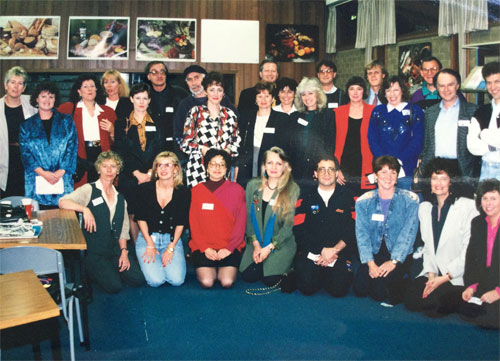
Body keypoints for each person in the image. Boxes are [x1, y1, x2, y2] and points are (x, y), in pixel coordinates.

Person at [58, 151, 145, 293]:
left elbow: (123, 229)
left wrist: (124, 253)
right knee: (114, 286)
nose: (109, 170)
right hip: (94, 251)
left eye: (113, 166)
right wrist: (85, 210)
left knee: (138, 279)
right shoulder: (89, 189)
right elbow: (62, 202)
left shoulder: (120, 197)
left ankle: (109, 269)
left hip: (114, 249)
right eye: (105, 166)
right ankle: (94, 269)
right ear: (99, 169)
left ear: (118, 170)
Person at [405, 158, 478, 317]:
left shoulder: (468, 207)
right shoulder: (425, 208)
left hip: (455, 275)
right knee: (411, 301)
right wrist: (431, 276)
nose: (438, 183)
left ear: (452, 182)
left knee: (434, 307)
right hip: (434, 272)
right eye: (434, 178)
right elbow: (428, 248)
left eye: (444, 178)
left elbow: (469, 252)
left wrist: (442, 279)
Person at [353, 155, 419, 305]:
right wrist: (370, 264)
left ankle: (404, 277)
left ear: (397, 177)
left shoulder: (410, 200)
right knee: (360, 288)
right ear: (375, 176)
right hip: (375, 251)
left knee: (379, 292)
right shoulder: (364, 201)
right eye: (383, 172)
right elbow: (361, 235)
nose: (388, 177)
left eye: (393, 172)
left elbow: (407, 235)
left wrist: (393, 261)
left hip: (397, 252)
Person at [292, 155, 355, 297]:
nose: (326, 173)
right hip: (312, 252)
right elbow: (299, 230)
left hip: (338, 253)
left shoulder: (349, 197)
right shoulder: (304, 198)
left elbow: (353, 229)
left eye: (331, 169)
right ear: (315, 174)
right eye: (322, 169)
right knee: (307, 288)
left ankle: (327, 273)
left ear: (337, 173)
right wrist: (321, 250)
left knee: (339, 290)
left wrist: (334, 250)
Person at [240, 146, 300, 286]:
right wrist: (255, 245)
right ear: (264, 166)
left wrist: (269, 248)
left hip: (280, 243)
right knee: (248, 276)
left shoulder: (292, 189)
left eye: (279, 163)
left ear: (285, 167)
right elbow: (248, 218)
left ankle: (288, 266)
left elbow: (288, 227)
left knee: (270, 280)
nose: (274, 167)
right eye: (270, 163)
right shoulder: (252, 186)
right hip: (257, 242)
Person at [115, 83, 167, 242]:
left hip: (152, 176)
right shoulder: (122, 123)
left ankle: (150, 245)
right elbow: (121, 152)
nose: (141, 102)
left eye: (145, 98)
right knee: (132, 214)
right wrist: (137, 173)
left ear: (150, 100)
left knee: (151, 212)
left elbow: (161, 149)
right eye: (138, 98)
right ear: (131, 99)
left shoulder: (157, 122)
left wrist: (151, 173)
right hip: (130, 176)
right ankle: (138, 248)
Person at [189, 149, 246, 288]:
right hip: (203, 246)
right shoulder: (196, 191)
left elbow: (241, 223)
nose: (217, 168)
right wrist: (205, 248)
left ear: (227, 168)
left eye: (221, 164)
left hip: (228, 247)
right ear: (206, 167)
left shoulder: (237, 190)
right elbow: (194, 224)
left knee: (226, 282)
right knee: (207, 282)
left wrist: (229, 248)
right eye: (213, 164)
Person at [134, 151, 189, 288]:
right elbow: (140, 219)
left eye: (167, 165)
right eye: (159, 165)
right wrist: (150, 244)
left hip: (171, 240)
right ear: (155, 169)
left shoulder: (183, 192)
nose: (163, 169)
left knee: (176, 280)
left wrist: (170, 248)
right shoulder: (144, 189)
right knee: (156, 281)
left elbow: (181, 222)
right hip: (147, 239)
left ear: (176, 169)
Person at [19, 82, 77, 208]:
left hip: (62, 178)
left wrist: (61, 171)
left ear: (55, 100)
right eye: (43, 96)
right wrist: (44, 174)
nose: (47, 100)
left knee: (65, 222)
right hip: (36, 180)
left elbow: (72, 148)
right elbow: (26, 154)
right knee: (38, 221)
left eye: (51, 97)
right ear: (36, 99)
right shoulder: (26, 126)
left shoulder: (66, 121)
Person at [181, 71, 240, 188]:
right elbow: (185, 144)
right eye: (212, 89)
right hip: (198, 169)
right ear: (205, 91)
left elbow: (236, 142)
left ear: (224, 93)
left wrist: (228, 151)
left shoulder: (230, 115)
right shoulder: (195, 112)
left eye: (219, 90)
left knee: (220, 204)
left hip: (221, 170)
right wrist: (202, 148)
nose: (216, 94)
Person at [421, 68, 480, 179]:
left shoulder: (472, 111)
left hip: (462, 169)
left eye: (450, 85)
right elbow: (427, 146)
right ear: (437, 88)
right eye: (442, 86)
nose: (446, 89)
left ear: (457, 86)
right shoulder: (430, 112)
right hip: (435, 169)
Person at [59, 74, 116, 188]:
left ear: (96, 89)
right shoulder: (68, 109)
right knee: (81, 189)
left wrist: (112, 131)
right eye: (85, 86)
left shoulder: (108, 111)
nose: (89, 89)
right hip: (80, 155)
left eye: (92, 86)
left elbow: (116, 142)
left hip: (102, 153)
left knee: (102, 189)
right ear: (79, 91)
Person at [368, 76, 424, 190]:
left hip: (406, 169)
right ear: (384, 93)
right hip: (381, 170)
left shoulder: (415, 110)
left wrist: (398, 161)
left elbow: (418, 140)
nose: (392, 94)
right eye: (388, 90)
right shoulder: (378, 111)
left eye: (396, 90)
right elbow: (372, 139)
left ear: (402, 91)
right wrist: (384, 163)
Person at [460, 179, 500, 329]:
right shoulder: (477, 223)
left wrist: (498, 292)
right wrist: (472, 285)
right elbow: (471, 258)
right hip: (486, 279)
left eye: (493, 198)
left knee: (489, 319)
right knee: (466, 310)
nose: (488, 203)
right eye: (485, 198)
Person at [236, 81, 289, 187]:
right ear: (255, 99)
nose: (263, 100)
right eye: (259, 96)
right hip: (249, 163)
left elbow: (285, 146)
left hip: (271, 165)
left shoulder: (282, 118)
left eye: (267, 96)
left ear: (273, 98)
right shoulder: (246, 117)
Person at [287, 77, 336, 189]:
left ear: (318, 94)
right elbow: (290, 144)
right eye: (303, 94)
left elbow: (329, 144)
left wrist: (323, 167)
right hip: (297, 166)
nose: (307, 97)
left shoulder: (328, 115)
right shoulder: (294, 116)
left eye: (310, 93)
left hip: (317, 166)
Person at [173, 65, 238, 144]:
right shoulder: (184, 104)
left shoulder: (222, 100)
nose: (194, 83)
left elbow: (236, 128)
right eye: (189, 80)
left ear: (205, 79)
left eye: (197, 78)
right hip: (194, 152)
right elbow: (179, 135)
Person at [334, 76, 376, 196]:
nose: (355, 92)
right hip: (343, 168)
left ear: (364, 91)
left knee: (365, 204)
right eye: (352, 89)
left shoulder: (374, 111)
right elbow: (331, 143)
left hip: (366, 167)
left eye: (359, 88)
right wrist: (335, 169)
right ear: (347, 92)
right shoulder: (337, 112)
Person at [0, 66, 37, 197]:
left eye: (20, 83)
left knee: (27, 199)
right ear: (5, 85)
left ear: (24, 88)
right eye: (12, 82)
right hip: (5, 158)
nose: (16, 87)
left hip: (27, 158)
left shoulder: (32, 104)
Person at [145, 61, 188, 152]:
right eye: (154, 72)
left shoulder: (180, 94)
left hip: (177, 147)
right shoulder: (144, 96)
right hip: (152, 147)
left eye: (162, 72)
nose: (159, 75)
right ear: (148, 76)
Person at [467, 62, 500, 181]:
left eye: (497, 81)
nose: (493, 87)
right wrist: (494, 146)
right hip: (486, 169)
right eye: (489, 83)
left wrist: (483, 134)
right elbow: (472, 146)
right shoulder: (481, 111)